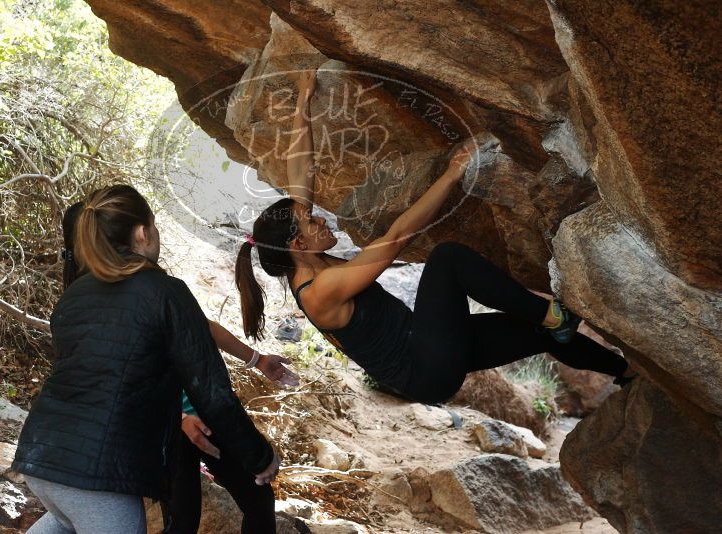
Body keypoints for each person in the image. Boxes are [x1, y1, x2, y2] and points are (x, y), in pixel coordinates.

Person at [234, 69, 635, 407]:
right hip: (424, 372)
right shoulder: (319, 291)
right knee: (447, 259)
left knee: (538, 334)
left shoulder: (301, 255)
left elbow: (299, 170)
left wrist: (303, 103)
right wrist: (451, 175)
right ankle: (553, 314)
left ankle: (624, 372)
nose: (321, 219)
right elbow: (398, 236)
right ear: (297, 246)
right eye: (311, 222)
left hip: (427, 346)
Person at [12, 185, 281, 534]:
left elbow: (100, 381)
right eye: (153, 226)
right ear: (142, 232)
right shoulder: (164, 291)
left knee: (63, 522)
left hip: (41, 458)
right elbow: (211, 391)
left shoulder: (72, 298)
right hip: (99, 474)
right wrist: (260, 457)